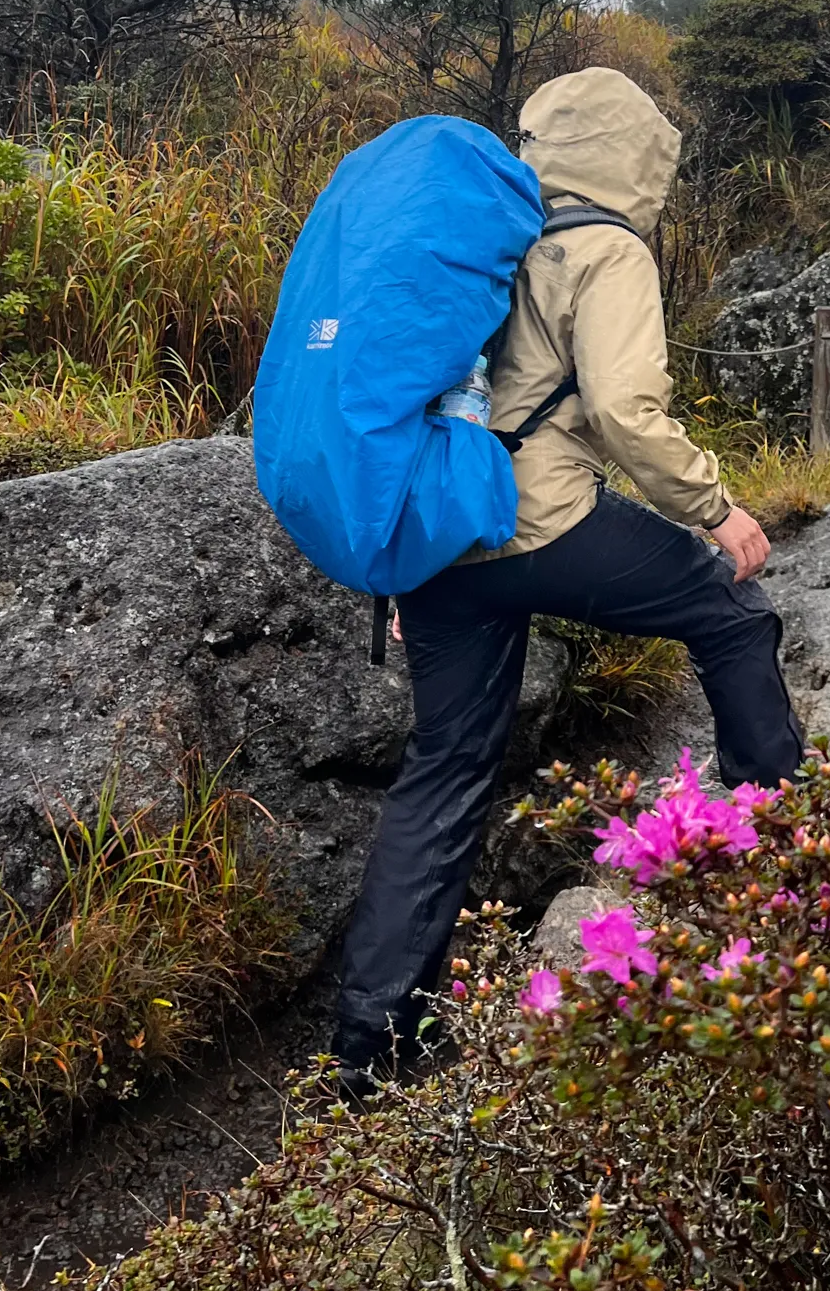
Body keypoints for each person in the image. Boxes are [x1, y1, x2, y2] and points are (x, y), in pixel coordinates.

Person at [329, 66, 803, 1091]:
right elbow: (629, 413)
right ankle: (786, 861)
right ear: (633, 159)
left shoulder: (479, 235)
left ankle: (370, 1048)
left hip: (443, 544)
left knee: (446, 771)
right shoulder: (605, 247)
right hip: (542, 521)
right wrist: (717, 511)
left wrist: (411, 574)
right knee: (731, 612)